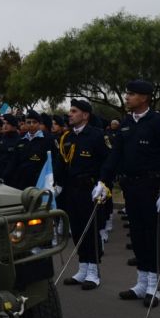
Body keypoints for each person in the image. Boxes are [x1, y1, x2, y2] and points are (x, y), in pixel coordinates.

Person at [101, 80, 160, 308]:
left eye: (131, 94)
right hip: (131, 187)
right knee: (136, 234)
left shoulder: (158, 122)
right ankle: (141, 282)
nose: (126, 97)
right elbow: (115, 156)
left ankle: (154, 285)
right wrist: (103, 180)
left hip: (152, 187)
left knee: (152, 235)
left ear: (144, 98)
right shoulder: (126, 124)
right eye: (127, 93)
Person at [56, 100, 110, 290]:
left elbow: (107, 162)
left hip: (90, 189)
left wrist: (103, 184)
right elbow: (62, 165)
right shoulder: (67, 137)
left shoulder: (96, 135)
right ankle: (83, 267)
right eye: (70, 111)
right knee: (77, 229)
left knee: (91, 230)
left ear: (85, 115)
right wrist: (58, 184)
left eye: (74, 111)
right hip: (72, 190)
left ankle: (94, 271)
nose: (69, 114)